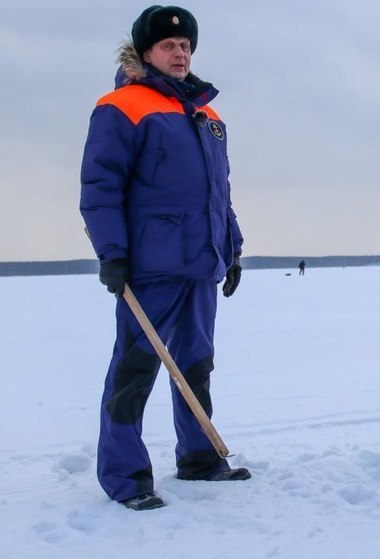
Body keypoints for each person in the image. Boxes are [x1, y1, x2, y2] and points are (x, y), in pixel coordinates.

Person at [80, 5, 250, 511]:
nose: (180, 53)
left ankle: (199, 460)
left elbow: (218, 191)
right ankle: (125, 477)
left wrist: (232, 246)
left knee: (196, 365)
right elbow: (100, 186)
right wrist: (112, 254)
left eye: (186, 46)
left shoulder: (208, 114)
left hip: (201, 264)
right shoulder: (122, 106)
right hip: (149, 266)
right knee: (135, 370)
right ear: (146, 52)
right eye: (169, 46)